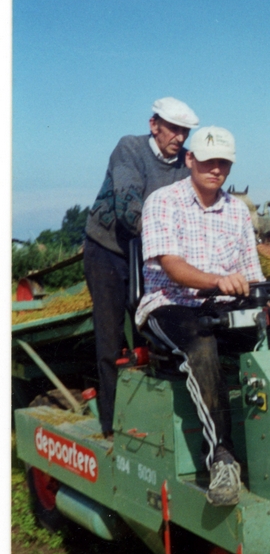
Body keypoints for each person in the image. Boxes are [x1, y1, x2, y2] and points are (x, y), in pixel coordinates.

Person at [136, 126, 270, 506]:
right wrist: (217, 281)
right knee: (201, 339)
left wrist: (268, 306)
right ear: (189, 159)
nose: (216, 169)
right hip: (170, 304)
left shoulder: (237, 211)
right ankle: (222, 458)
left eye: (223, 163)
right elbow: (173, 267)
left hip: (220, 305)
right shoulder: (163, 202)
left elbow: (251, 272)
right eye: (208, 161)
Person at [84, 96, 200, 438]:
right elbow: (128, 211)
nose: (179, 137)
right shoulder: (130, 150)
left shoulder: (185, 164)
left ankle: (149, 420)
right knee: (110, 338)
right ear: (154, 125)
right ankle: (111, 425)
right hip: (109, 250)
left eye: (185, 131)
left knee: (151, 332)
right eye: (173, 128)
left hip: (150, 253)